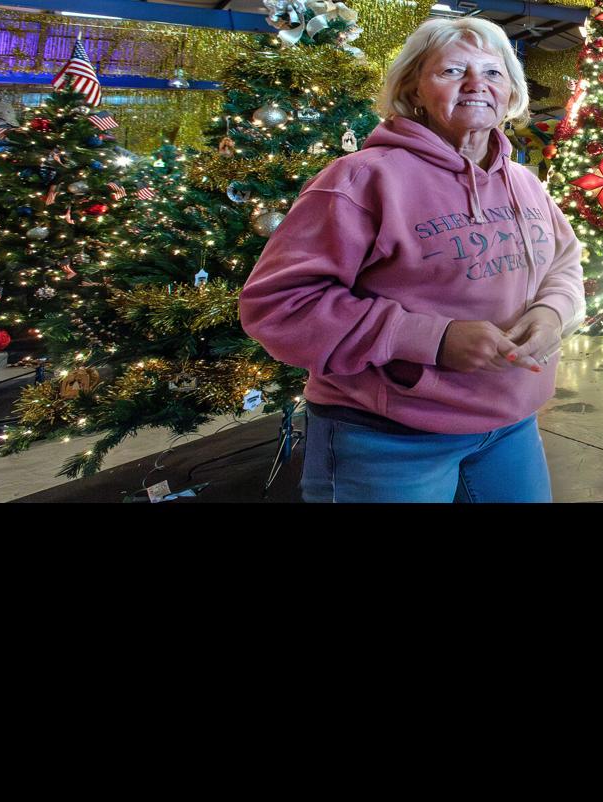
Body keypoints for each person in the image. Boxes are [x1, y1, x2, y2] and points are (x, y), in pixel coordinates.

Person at [239, 17, 583, 502]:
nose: (476, 85)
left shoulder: (525, 183)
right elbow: (278, 306)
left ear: (511, 92)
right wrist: (432, 339)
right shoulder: (361, 181)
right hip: (387, 435)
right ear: (413, 90)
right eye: (452, 71)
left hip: (511, 425)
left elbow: (564, 263)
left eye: (493, 72)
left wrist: (552, 313)